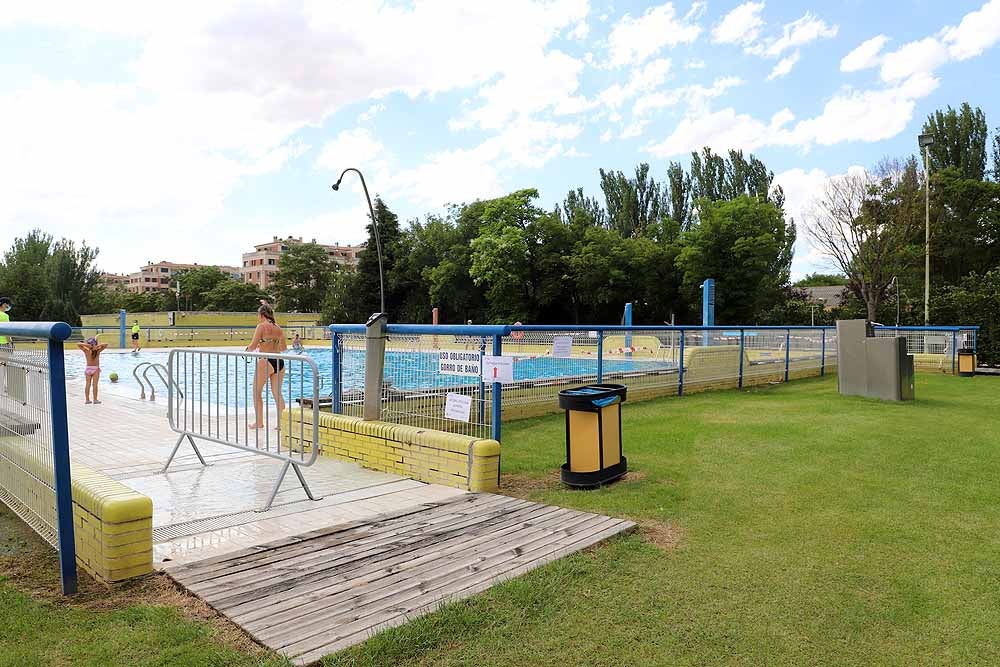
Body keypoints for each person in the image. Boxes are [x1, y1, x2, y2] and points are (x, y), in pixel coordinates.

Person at [246, 303, 286, 429]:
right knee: (277, 393)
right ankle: (281, 424)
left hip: (266, 361)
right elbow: (283, 348)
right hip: (279, 361)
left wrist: (247, 349)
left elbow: (252, 346)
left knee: (256, 392)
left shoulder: (261, 326)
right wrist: (268, 344)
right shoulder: (278, 328)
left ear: (261, 314)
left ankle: (259, 422)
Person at [77, 337, 109, 404]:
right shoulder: (98, 351)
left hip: (88, 369)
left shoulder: (86, 350)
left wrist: (87, 345)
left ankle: (87, 400)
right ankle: (95, 400)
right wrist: (97, 346)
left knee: (88, 384)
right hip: (95, 369)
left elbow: (78, 344)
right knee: (94, 385)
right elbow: (106, 344)